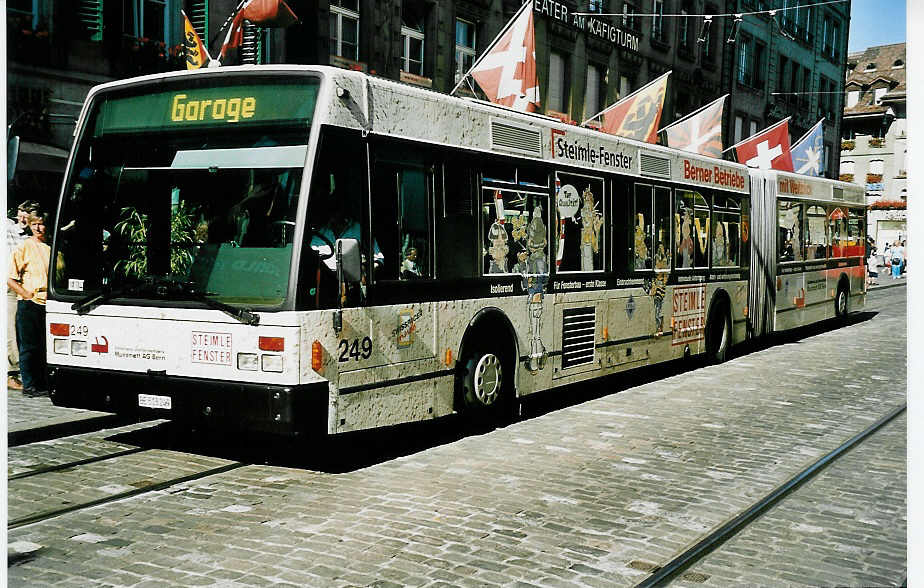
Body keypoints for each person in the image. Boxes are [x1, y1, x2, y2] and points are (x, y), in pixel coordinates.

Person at [8, 210, 51, 397]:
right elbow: (10, 278)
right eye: (34, 224)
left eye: (41, 224)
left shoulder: (51, 247)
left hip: (49, 304)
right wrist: (25, 294)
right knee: (29, 346)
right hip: (30, 303)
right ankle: (29, 385)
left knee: (43, 346)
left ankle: (42, 383)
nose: (38, 228)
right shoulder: (24, 246)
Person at [6, 200, 39, 390]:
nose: (24, 218)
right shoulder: (9, 230)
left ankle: (28, 371)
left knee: (24, 331)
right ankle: (11, 373)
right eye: (21, 213)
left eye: (29, 214)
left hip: (29, 287)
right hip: (11, 285)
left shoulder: (32, 236)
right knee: (10, 328)